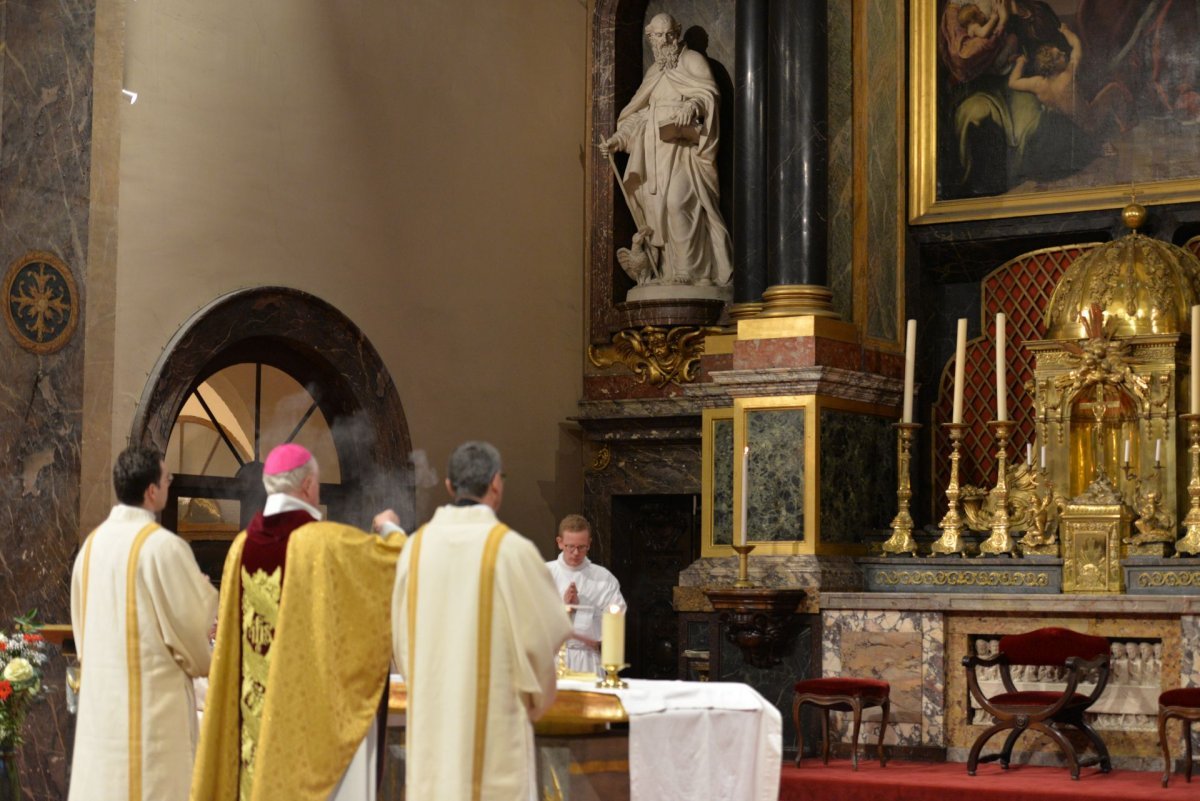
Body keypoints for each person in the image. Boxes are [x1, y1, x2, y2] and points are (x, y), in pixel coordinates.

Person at [190, 444, 405, 801]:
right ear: (307, 486)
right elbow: (393, 566)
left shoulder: (240, 549)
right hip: (306, 719)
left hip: (251, 719)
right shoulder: (327, 543)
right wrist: (390, 529)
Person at [391, 441, 572, 801]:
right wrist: (536, 701)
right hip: (494, 731)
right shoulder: (510, 550)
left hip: (433, 729)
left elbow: (400, 640)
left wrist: (429, 690)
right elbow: (545, 638)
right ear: (495, 483)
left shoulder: (415, 548)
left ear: (448, 486)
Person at [69, 445, 218, 801]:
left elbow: (82, 635)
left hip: (100, 720)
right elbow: (196, 639)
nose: (168, 485)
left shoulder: (90, 548)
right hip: (148, 726)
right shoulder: (164, 548)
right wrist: (202, 587)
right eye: (167, 479)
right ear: (152, 491)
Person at [599, 13, 733, 290]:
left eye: (669, 34)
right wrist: (617, 139)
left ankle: (693, 272)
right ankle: (667, 271)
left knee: (678, 203)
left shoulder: (692, 60)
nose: (665, 40)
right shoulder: (654, 73)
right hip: (654, 156)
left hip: (684, 152)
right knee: (656, 213)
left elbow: (709, 94)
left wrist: (692, 106)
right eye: (658, 36)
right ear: (650, 38)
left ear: (677, 32)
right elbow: (639, 116)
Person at [545, 514, 626, 676]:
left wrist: (582, 611)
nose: (575, 553)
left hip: (588, 658)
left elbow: (616, 616)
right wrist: (564, 607)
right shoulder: (543, 573)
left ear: (589, 544)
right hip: (551, 657)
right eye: (570, 546)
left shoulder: (603, 578)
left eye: (581, 547)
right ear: (559, 542)